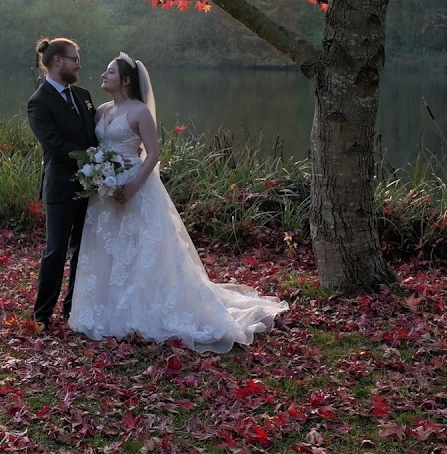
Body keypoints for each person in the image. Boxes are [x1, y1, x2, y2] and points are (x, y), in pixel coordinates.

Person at [68, 53, 288, 353]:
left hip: (135, 186)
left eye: (110, 72)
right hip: (105, 191)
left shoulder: (139, 111)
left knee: (139, 248)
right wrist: (99, 175)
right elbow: (99, 148)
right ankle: (105, 309)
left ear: (127, 80)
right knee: (107, 249)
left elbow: (153, 154)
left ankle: (143, 309)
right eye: (105, 71)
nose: (103, 75)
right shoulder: (102, 110)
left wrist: (132, 185)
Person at [26, 37, 99, 332]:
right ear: (58, 61)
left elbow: (95, 134)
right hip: (60, 187)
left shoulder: (83, 94)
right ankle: (42, 314)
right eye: (74, 59)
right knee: (56, 250)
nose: (78, 64)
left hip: (91, 185)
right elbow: (55, 145)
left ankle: (74, 308)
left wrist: (105, 163)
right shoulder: (39, 102)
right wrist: (90, 161)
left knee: (83, 249)